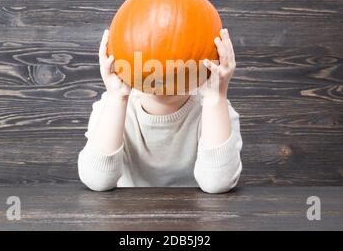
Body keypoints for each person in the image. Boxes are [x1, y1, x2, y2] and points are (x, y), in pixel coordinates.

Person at [78, 28, 242, 193]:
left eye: (177, 54)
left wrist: (215, 98)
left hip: (196, 215)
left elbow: (217, 183)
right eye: (153, 51)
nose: (164, 69)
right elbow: (96, 180)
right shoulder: (110, 107)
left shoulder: (217, 111)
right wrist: (117, 97)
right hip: (127, 215)